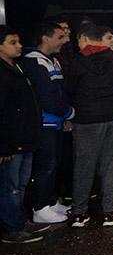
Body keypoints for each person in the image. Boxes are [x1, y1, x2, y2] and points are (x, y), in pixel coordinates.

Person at [64, 23, 113, 227]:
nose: (77, 44)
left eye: (78, 40)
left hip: (87, 118)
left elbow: (68, 87)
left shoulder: (78, 62)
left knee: (83, 165)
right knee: (110, 165)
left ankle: (79, 214)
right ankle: (110, 212)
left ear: (85, 38)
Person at [20, 21, 72, 224]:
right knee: (46, 165)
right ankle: (40, 207)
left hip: (56, 121)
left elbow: (60, 91)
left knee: (54, 164)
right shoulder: (34, 61)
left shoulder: (51, 60)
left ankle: (49, 201)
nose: (64, 41)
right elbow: (47, 98)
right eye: (59, 37)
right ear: (45, 38)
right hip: (45, 123)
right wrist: (70, 113)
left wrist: (66, 115)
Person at [0, 26, 44, 243]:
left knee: (20, 185)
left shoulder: (17, 66)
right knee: (10, 187)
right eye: (12, 43)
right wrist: (4, 146)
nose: (19, 46)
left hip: (25, 139)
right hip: (12, 142)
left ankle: (19, 221)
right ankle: (12, 230)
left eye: (18, 42)